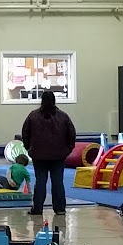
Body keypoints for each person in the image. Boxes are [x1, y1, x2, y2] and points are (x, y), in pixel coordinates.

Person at [19, 88, 76, 220]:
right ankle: (60, 209)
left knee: (40, 181)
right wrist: (68, 150)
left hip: (38, 155)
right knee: (58, 182)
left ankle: (37, 208)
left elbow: (25, 133)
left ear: (41, 101)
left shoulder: (33, 116)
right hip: (58, 155)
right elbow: (71, 134)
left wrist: (29, 148)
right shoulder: (63, 116)